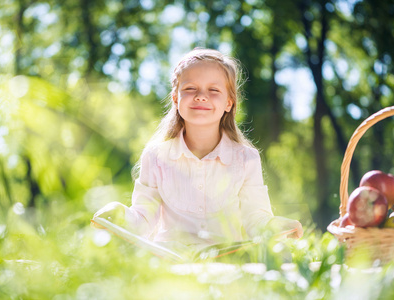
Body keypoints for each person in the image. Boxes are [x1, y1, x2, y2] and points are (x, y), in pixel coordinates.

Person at [92, 48, 303, 250]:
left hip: (228, 257)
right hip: (170, 258)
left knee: (279, 255)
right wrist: (119, 214)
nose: (201, 96)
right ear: (176, 98)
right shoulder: (156, 156)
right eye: (190, 88)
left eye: (213, 90)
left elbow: (255, 217)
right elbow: (144, 217)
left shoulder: (246, 159)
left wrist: (276, 226)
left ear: (229, 103)